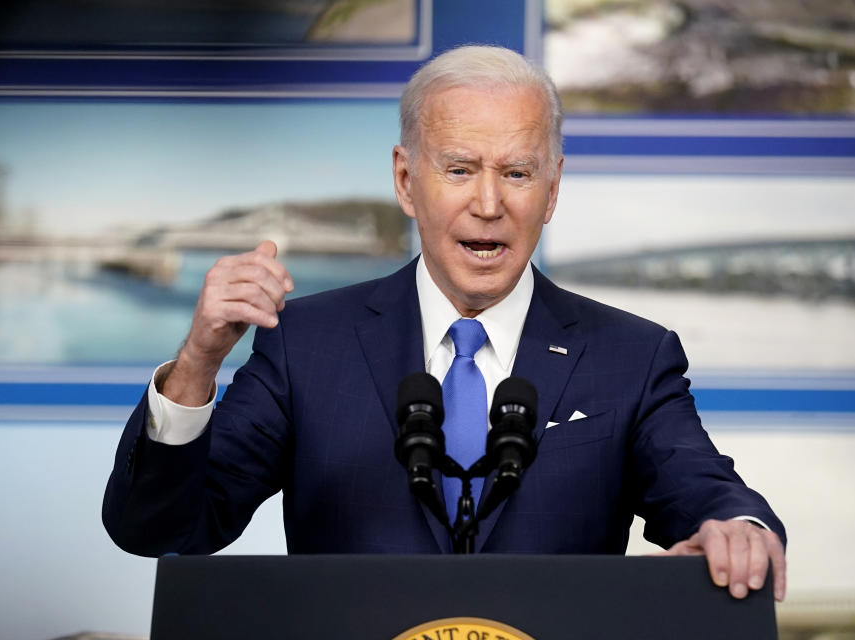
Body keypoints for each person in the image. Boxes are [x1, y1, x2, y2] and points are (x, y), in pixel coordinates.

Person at [103, 45, 786, 602]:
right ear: (405, 181)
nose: (488, 203)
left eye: (517, 172)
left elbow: (705, 489)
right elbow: (162, 528)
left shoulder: (631, 356)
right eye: (459, 169)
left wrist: (737, 527)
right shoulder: (307, 345)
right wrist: (196, 365)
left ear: (552, 190)